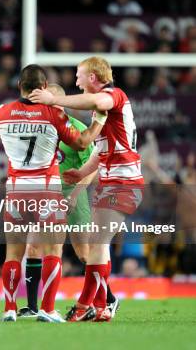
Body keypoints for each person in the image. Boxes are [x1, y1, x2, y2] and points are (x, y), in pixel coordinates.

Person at [0, 65, 106, 323]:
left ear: (19, 86)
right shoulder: (52, 113)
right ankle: (47, 309)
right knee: (54, 251)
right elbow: (82, 143)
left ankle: (9, 309)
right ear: (43, 87)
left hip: (16, 190)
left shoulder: (1, 112)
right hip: (47, 190)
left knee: (13, 253)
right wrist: (99, 122)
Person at [29, 56, 143, 322]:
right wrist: (81, 172)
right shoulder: (100, 111)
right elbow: (101, 151)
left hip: (123, 180)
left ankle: (87, 305)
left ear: (93, 77)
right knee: (95, 246)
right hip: (112, 179)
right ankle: (102, 305)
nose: (76, 80)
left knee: (96, 245)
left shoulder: (112, 95)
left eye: (79, 75)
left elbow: (97, 100)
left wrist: (54, 99)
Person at [18, 84, 118, 318]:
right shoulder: (39, 126)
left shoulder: (77, 128)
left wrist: (75, 194)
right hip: (46, 195)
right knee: (33, 246)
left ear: (59, 102)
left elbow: (92, 167)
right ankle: (32, 306)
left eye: (47, 101)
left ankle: (110, 299)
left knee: (84, 253)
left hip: (74, 196)